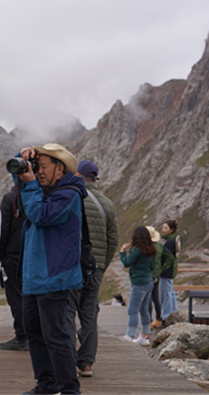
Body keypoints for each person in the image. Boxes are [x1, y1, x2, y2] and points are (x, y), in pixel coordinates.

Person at [14, 143, 83, 395]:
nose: (38, 172)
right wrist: (22, 159)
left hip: (54, 276)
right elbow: (19, 174)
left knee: (56, 336)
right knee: (34, 332)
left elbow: (39, 215)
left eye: (42, 167)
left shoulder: (69, 193)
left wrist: (31, 183)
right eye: (37, 166)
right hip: (35, 277)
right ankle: (46, 384)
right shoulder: (46, 190)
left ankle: (69, 389)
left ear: (59, 168)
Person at [67, 160, 119, 378]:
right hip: (95, 267)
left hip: (73, 264)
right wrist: (102, 266)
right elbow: (113, 240)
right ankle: (86, 363)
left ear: (79, 175)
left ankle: (67, 362)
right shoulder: (107, 203)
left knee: (67, 313)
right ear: (95, 178)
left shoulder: (73, 197)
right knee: (89, 315)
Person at [0, 181, 28, 352]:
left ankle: (22, 337)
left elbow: (3, 229)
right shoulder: (42, 195)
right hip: (34, 256)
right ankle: (34, 335)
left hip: (13, 256)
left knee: (16, 298)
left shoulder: (10, 198)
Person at [120, 226, 157, 346]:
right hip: (149, 281)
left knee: (133, 310)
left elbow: (127, 263)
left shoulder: (136, 249)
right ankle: (144, 337)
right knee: (144, 309)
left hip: (139, 283)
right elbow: (153, 267)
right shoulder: (151, 249)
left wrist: (122, 252)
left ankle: (130, 335)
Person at [159, 219, 181, 321]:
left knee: (165, 293)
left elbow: (165, 256)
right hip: (171, 269)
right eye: (163, 227)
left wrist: (160, 267)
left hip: (166, 270)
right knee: (170, 291)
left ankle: (166, 315)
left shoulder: (169, 242)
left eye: (166, 228)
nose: (163, 230)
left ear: (171, 230)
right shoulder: (172, 240)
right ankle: (174, 311)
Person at [147, 226, 165, 329]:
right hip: (157, 276)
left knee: (148, 299)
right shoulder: (160, 247)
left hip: (148, 276)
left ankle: (149, 322)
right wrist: (162, 269)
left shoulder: (146, 248)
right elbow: (169, 258)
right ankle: (159, 319)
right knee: (156, 298)